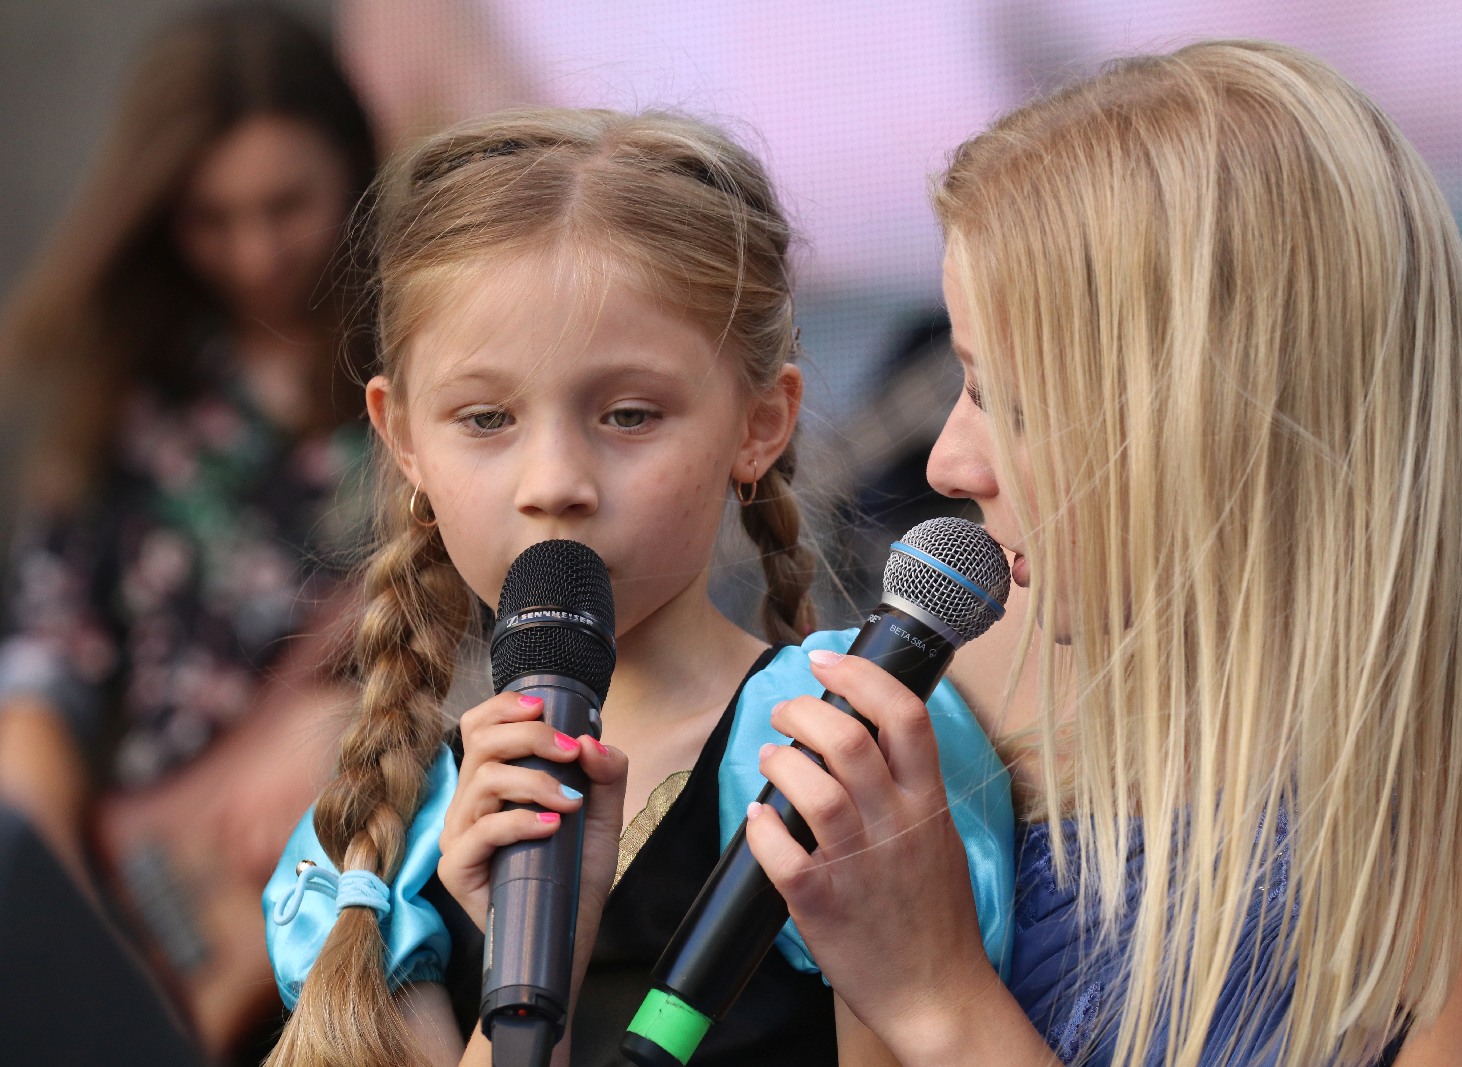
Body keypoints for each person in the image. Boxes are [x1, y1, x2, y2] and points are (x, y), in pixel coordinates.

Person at [741, 39, 1462, 1067]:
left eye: (1014, 401)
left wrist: (938, 997)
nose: (948, 461)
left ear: (1226, 417)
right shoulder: (977, 683)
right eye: (963, 381)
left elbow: (935, 1005)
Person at [259, 106, 1015, 1067]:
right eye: (486, 418)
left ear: (760, 423)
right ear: (403, 437)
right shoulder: (377, 849)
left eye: (627, 414)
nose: (554, 482)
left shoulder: (848, 744)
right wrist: (528, 979)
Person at [0, 4, 376, 1058]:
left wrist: (346, 729)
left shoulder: (428, 366)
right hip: (150, 887)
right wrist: (53, 896)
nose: (256, 251)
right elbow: (48, 663)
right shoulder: (134, 391)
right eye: (212, 217)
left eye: (287, 205)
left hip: (368, 883)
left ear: (353, 171)